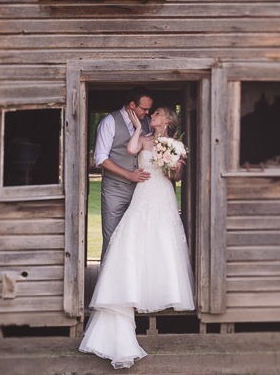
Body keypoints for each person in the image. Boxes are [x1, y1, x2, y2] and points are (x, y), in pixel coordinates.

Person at [79, 106, 195, 368]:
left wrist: (171, 163)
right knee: (132, 239)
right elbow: (131, 151)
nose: (151, 116)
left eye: (156, 114)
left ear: (167, 120)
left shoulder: (176, 144)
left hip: (163, 194)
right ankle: (131, 287)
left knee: (164, 242)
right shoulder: (142, 138)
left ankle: (162, 289)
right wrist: (135, 127)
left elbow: (177, 176)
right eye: (150, 113)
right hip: (142, 194)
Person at [93, 87, 153, 261]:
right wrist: (129, 175)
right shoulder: (109, 122)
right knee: (112, 238)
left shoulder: (147, 122)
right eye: (144, 108)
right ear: (132, 105)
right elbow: (100, 158)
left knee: (136, 239)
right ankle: (107, 286)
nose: (148, 112)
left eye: (149, 109)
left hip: (141, 192)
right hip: (115, 190)